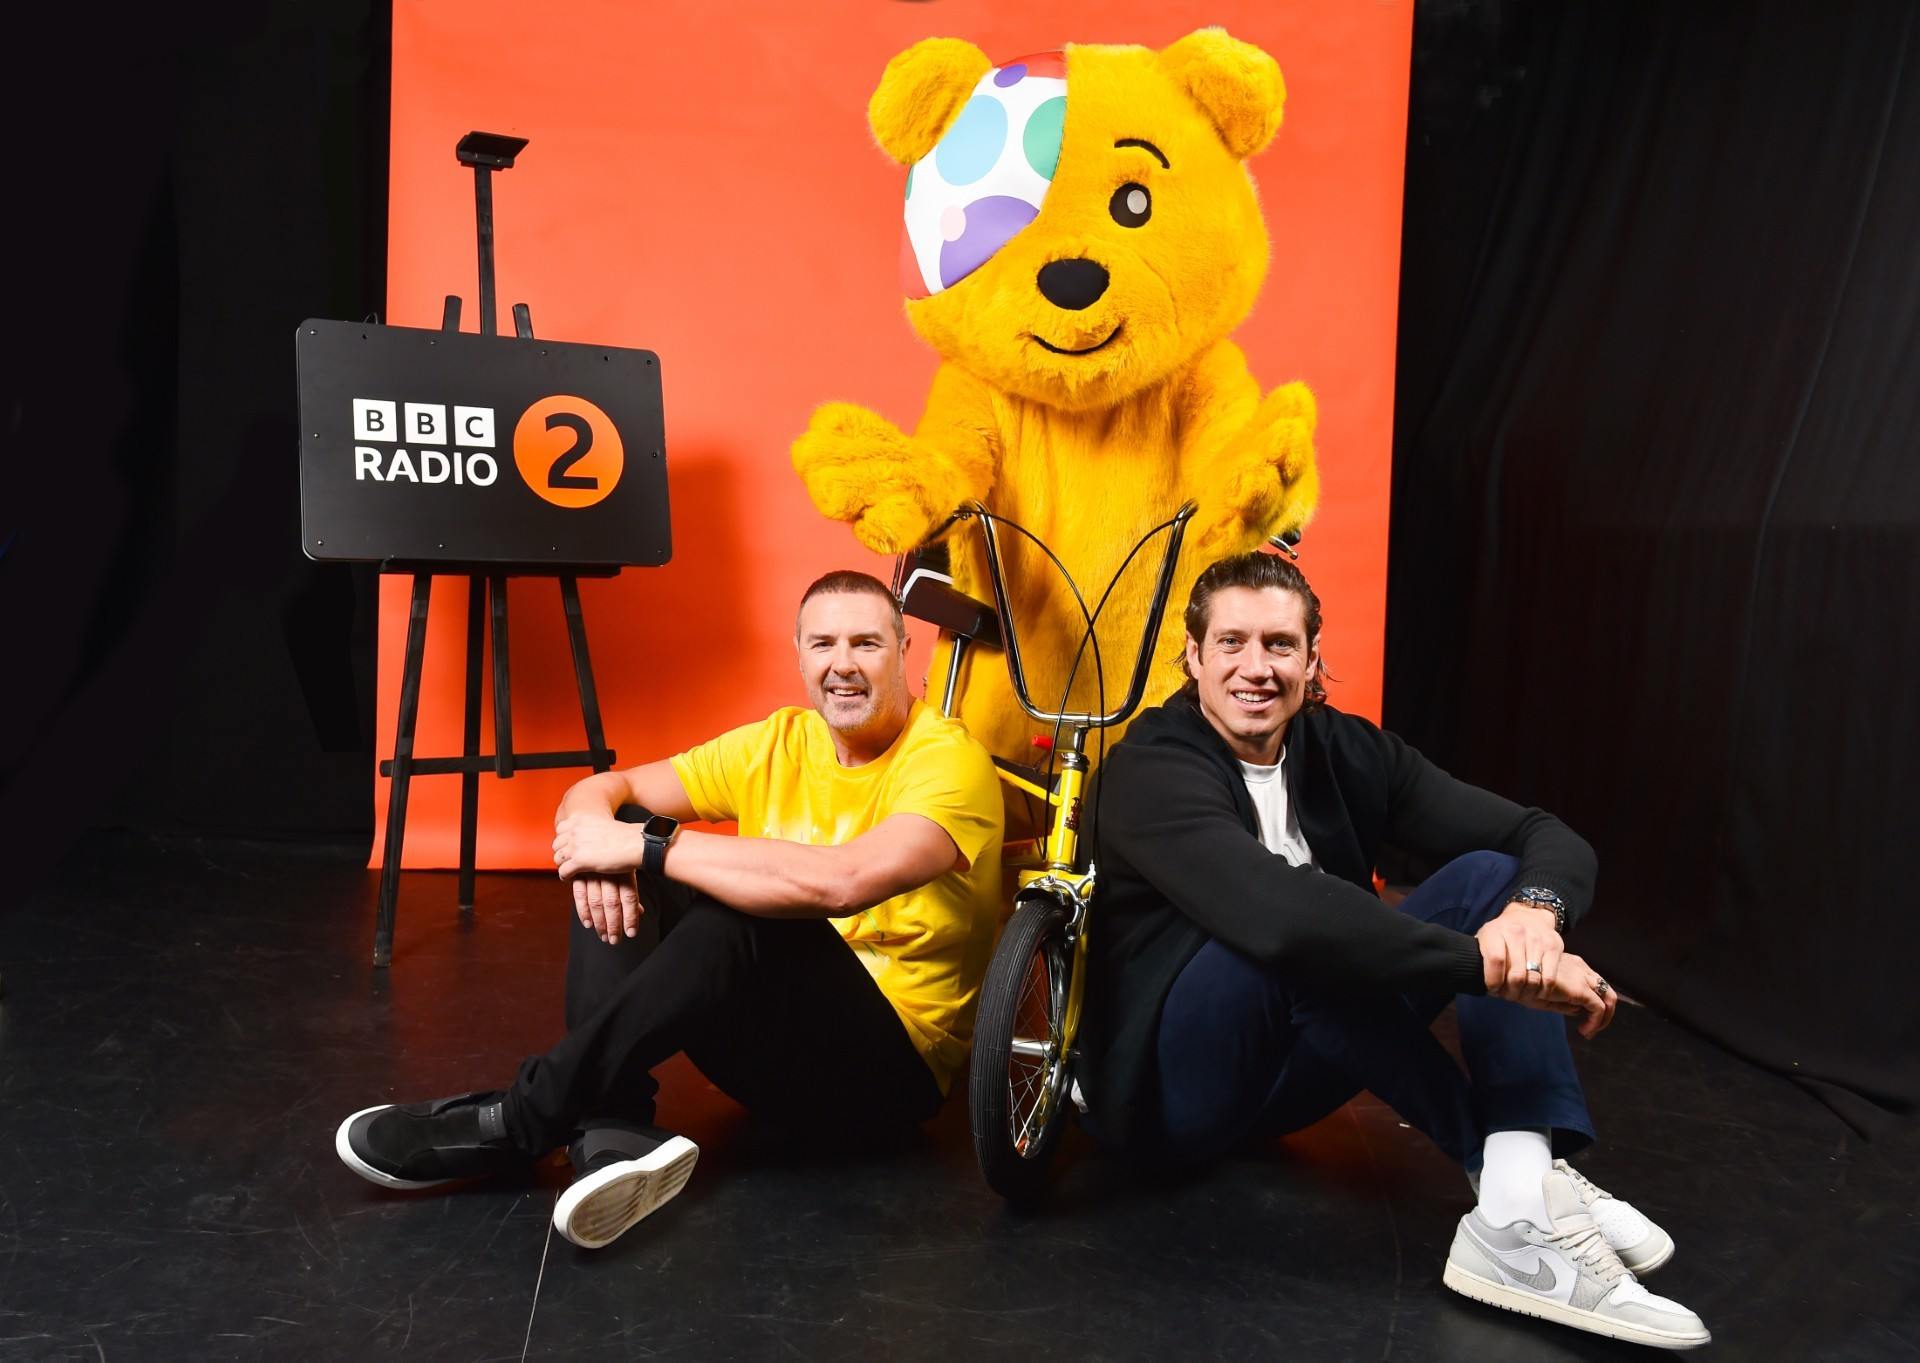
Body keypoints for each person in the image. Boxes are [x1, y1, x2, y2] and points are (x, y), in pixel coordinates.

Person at [1082, 550, 1710, 1350]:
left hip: (1290, 1072)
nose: (1254, 667)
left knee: (1494, 878)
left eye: (1279, 645)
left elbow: (1542, 837)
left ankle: (1516, 1189)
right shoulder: (1149, 770)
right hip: (1173, 1098)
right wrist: (1481, 965)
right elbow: (1280, 919)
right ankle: (1517, 1182)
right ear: (1193, 658)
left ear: (1313, 661)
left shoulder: (1346, 750)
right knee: (1294, 940)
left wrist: (1536, 923)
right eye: (1231, 643)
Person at [335, 571, 1002, 1249]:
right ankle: (612, 1131)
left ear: (903, 649)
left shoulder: (948, 761)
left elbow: (844, 881)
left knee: (735, 902)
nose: (843, 664)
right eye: (823, 644)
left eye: (867, 643)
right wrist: (614, 841)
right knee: (626, 838)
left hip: (885, 1083)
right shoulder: (779, 742)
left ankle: (522, 1118)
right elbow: (605, 790)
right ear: (799, 654)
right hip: (776, 1064)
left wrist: (644, 847)